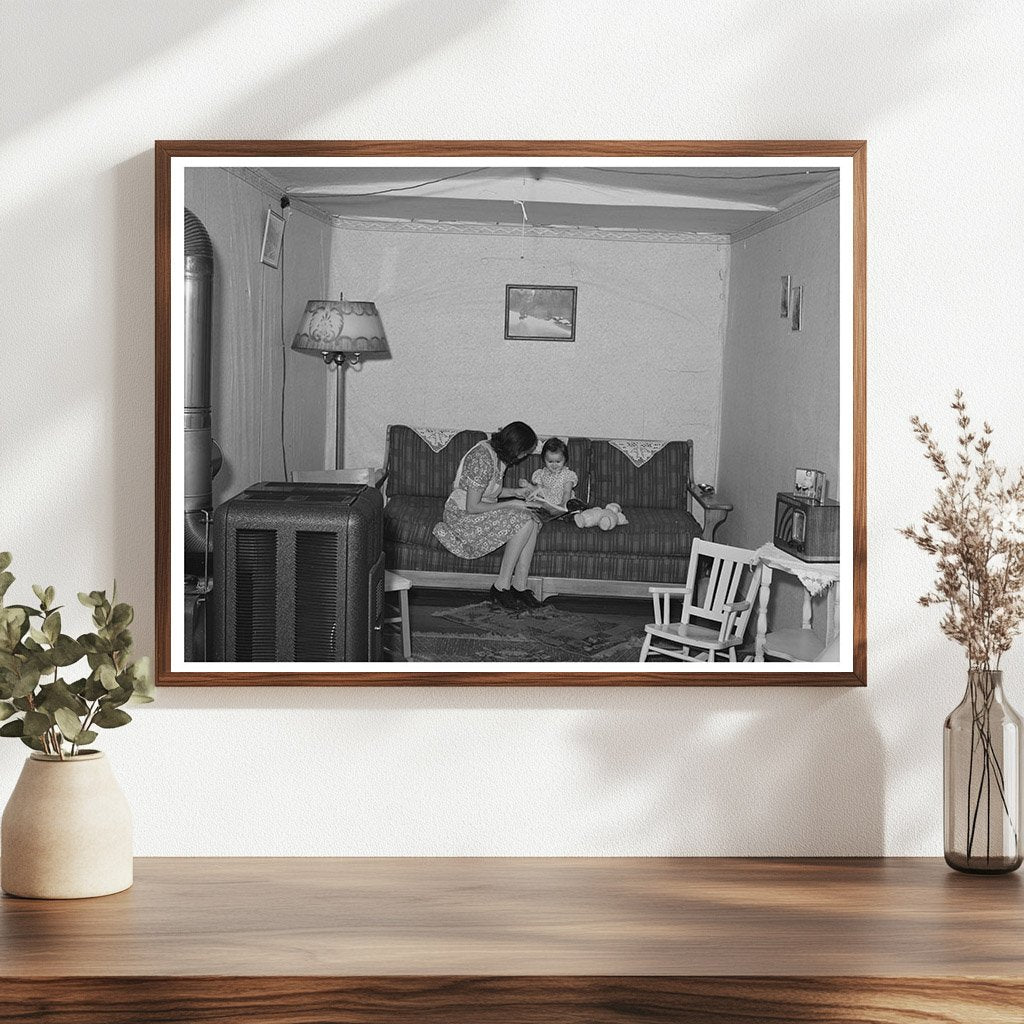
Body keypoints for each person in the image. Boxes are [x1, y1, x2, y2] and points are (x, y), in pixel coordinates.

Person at [432, 422, 547, 611]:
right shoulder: (482, 458)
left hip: (477, 508)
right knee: (524, 521)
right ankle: (501, 587)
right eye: (524, 452)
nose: (524, 457)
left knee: (531, 518)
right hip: (462, 516)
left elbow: (488, 491)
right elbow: (472, 506)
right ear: (515, 448)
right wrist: (512, 503)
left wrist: (516, 492)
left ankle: (520, 586)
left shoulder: (497, 455)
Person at [520, 437, 578, 510]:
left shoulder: (567, 475)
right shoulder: (541, 474)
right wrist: (527, 485)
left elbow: (567, 492)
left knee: (573, 507)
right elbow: (538, 490)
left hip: (563, 504)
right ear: (544, 459)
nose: (554, 465)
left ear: (565, 459)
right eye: (550, 461)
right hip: (546, 504)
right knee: (528, 504)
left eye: (558, 462)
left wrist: (563, 504)